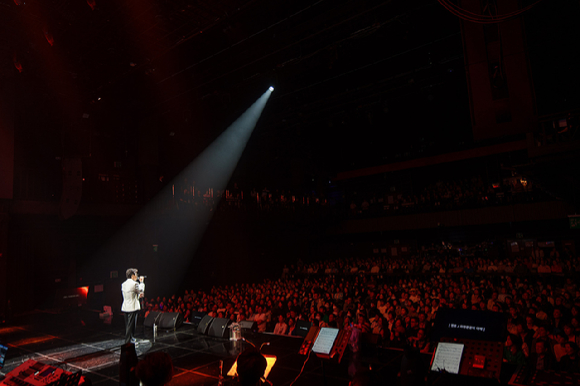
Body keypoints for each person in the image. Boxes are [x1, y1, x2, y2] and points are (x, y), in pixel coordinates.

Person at [122, 268, 145, 344]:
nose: (137, 276)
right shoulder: (135, 284)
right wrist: (141, 282)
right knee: (131, 325)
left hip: (125, 306)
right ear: (132, 276)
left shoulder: (123, 284)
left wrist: (138, 296)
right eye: (136, 275)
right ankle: (127, 341)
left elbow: (132, 294)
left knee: (128, 325)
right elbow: (140, 291)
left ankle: (131, 338)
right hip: (132, 307)